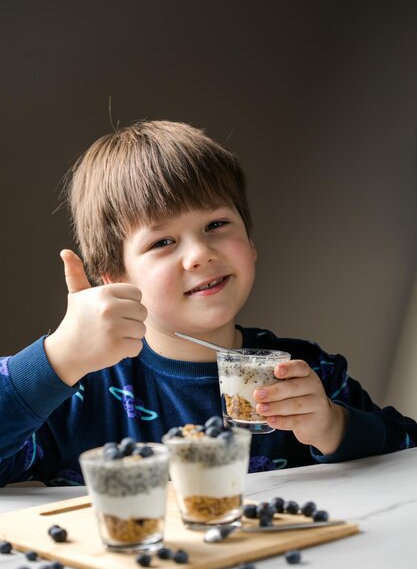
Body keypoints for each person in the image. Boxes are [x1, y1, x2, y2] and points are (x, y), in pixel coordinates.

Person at [0, 120, 416, 486]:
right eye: (162, 242)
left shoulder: (307, 374)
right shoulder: (79, 391)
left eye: (216, 224)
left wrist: (334, 425)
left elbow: (405, 448)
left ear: (250, 244)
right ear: (116, 280)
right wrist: (57, 358)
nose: (200, 253)